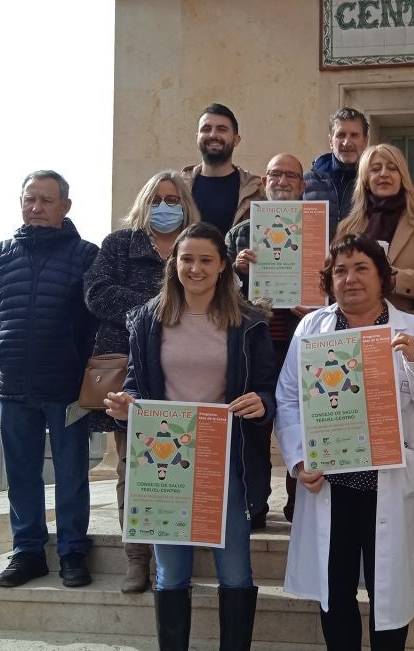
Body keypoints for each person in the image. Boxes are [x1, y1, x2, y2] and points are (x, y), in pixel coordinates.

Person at [103, 222, 277, 651]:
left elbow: (270, 388)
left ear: (222, 266)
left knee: (235, 570)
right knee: (170, 572)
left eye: (205, 260)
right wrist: (127, 405)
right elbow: (137, 384)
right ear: (173, 264)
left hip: (225, 457)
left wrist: (262, 403)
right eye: (186, 259)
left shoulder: (249, 322)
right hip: (165, 459)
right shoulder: (147, 319)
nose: (195, 268)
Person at [275, 234, 414, 651]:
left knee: (387, 593)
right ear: (329, 280)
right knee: (335, 590)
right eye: (340, 270)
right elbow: (289, 397)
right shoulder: (312, 328)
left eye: (361, 269)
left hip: (385, 482)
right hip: (331, 482)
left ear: (382, 277)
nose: (350, 278)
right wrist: (299, 460)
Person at [0, 170, 99, 588]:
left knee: (72, 475)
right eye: (30, 199)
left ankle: (73, 552)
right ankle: (27, 552)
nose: (36, 207)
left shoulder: (86, 255)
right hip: (14, 388)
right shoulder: (1, 254)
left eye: (46, 200)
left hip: (68, 390)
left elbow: (97, 319)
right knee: (21, 475)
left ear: (65, 206)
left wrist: (83, 364)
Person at [83, 170, 199, 592]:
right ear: (144, 203)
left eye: (173, 199)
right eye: (157, 199)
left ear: (185, 205)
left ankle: (178, 554)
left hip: (186, 371)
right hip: (130, 371)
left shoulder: (197, 243)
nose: (165, 207)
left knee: (182, 464)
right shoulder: (119, 244)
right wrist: (158, 307)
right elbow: (97, 293)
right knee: (132, 469)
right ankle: (137, 558)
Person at [228, 152, 314, 528]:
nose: (281, 181)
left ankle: (300, 504)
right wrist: (236, 271)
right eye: (274, 174)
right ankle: (255, 503)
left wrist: (316, 302)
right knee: (254, 423)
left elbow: (333, 283)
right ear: (263, 183)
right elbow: (217, 292)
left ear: (302, 185)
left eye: (290, 175)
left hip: (302, 342)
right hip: (254, 344)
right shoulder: (240, 234)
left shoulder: (317, 231)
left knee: (304, 422)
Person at [334, 144, 414, 313]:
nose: (384, 174)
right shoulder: (347, 227)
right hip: (358, 323)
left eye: (392, 168)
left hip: (409, 324)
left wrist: (394, 279)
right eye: (375, 169)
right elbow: (336, 276)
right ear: (365, 180)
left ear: (402, 177)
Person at [181, 103, 265, 234]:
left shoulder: (256, 191)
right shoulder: (180, 188)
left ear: (236, 139)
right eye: (206, 129)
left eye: (221, 129)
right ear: (197, 137)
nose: (213, 134)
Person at [304, 107, 370, 236]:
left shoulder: (374, 182)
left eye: (354, 135)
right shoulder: (307, 182)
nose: (347, 142)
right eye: (341, 135)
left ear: (365, 141)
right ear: (330, 141)